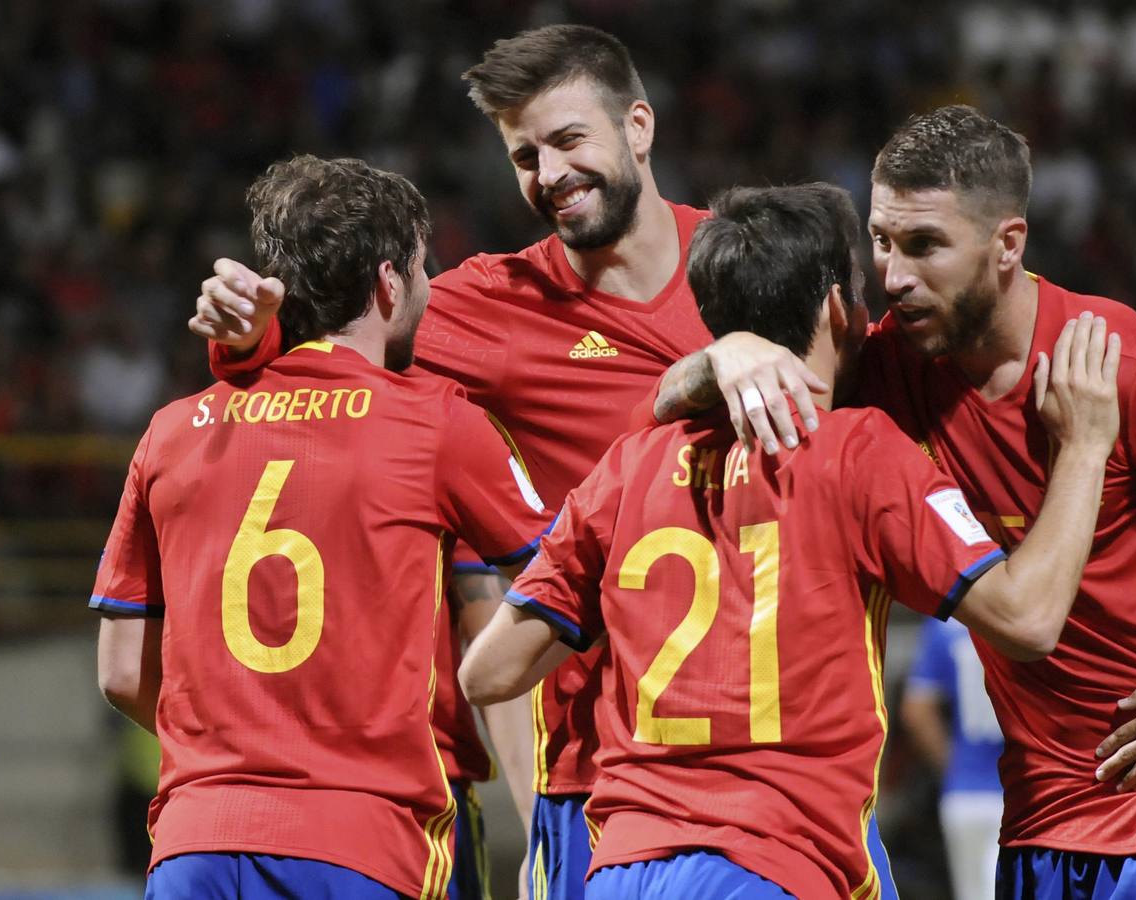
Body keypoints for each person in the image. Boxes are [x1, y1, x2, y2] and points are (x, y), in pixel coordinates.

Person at [187, 24, 880, 900]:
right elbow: (321, 370)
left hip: (801, 772)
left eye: (566, 141)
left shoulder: (759, 267)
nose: (546, 175)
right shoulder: (487, 305)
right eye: (523, 155)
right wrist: (247, 346)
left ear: (639, 126)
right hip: (605, 785)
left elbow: (911, 394)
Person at [649, 105, 1136, 898]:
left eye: (923, 245)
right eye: (880, 241)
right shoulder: (888, 372)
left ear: (1006, 245)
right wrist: (725, 355)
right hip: (1032, 827)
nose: (893, 276)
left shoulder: (1133, 370)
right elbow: (665, 411)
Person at [458, 182, 1122, 898]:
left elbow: (486, 676)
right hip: (774, 862)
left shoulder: (626, 467)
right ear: (839, 308)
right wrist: (1084, 449)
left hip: (623, 869)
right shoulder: (854, 450)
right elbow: (1026, 619)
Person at [91, 155, 556, 899]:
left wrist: (231, 752)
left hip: (194, 843)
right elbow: (565, 578)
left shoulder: (172, 430)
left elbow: (119, 671)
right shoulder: (434, 422)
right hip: (359, 840)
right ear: (389, 283)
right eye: (423, 267)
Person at [901, 617, 1005, 900]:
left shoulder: (946, 626)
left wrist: (954, 768)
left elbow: (916, 709)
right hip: (1032, 788)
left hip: (967, 791)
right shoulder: (1039, 616)